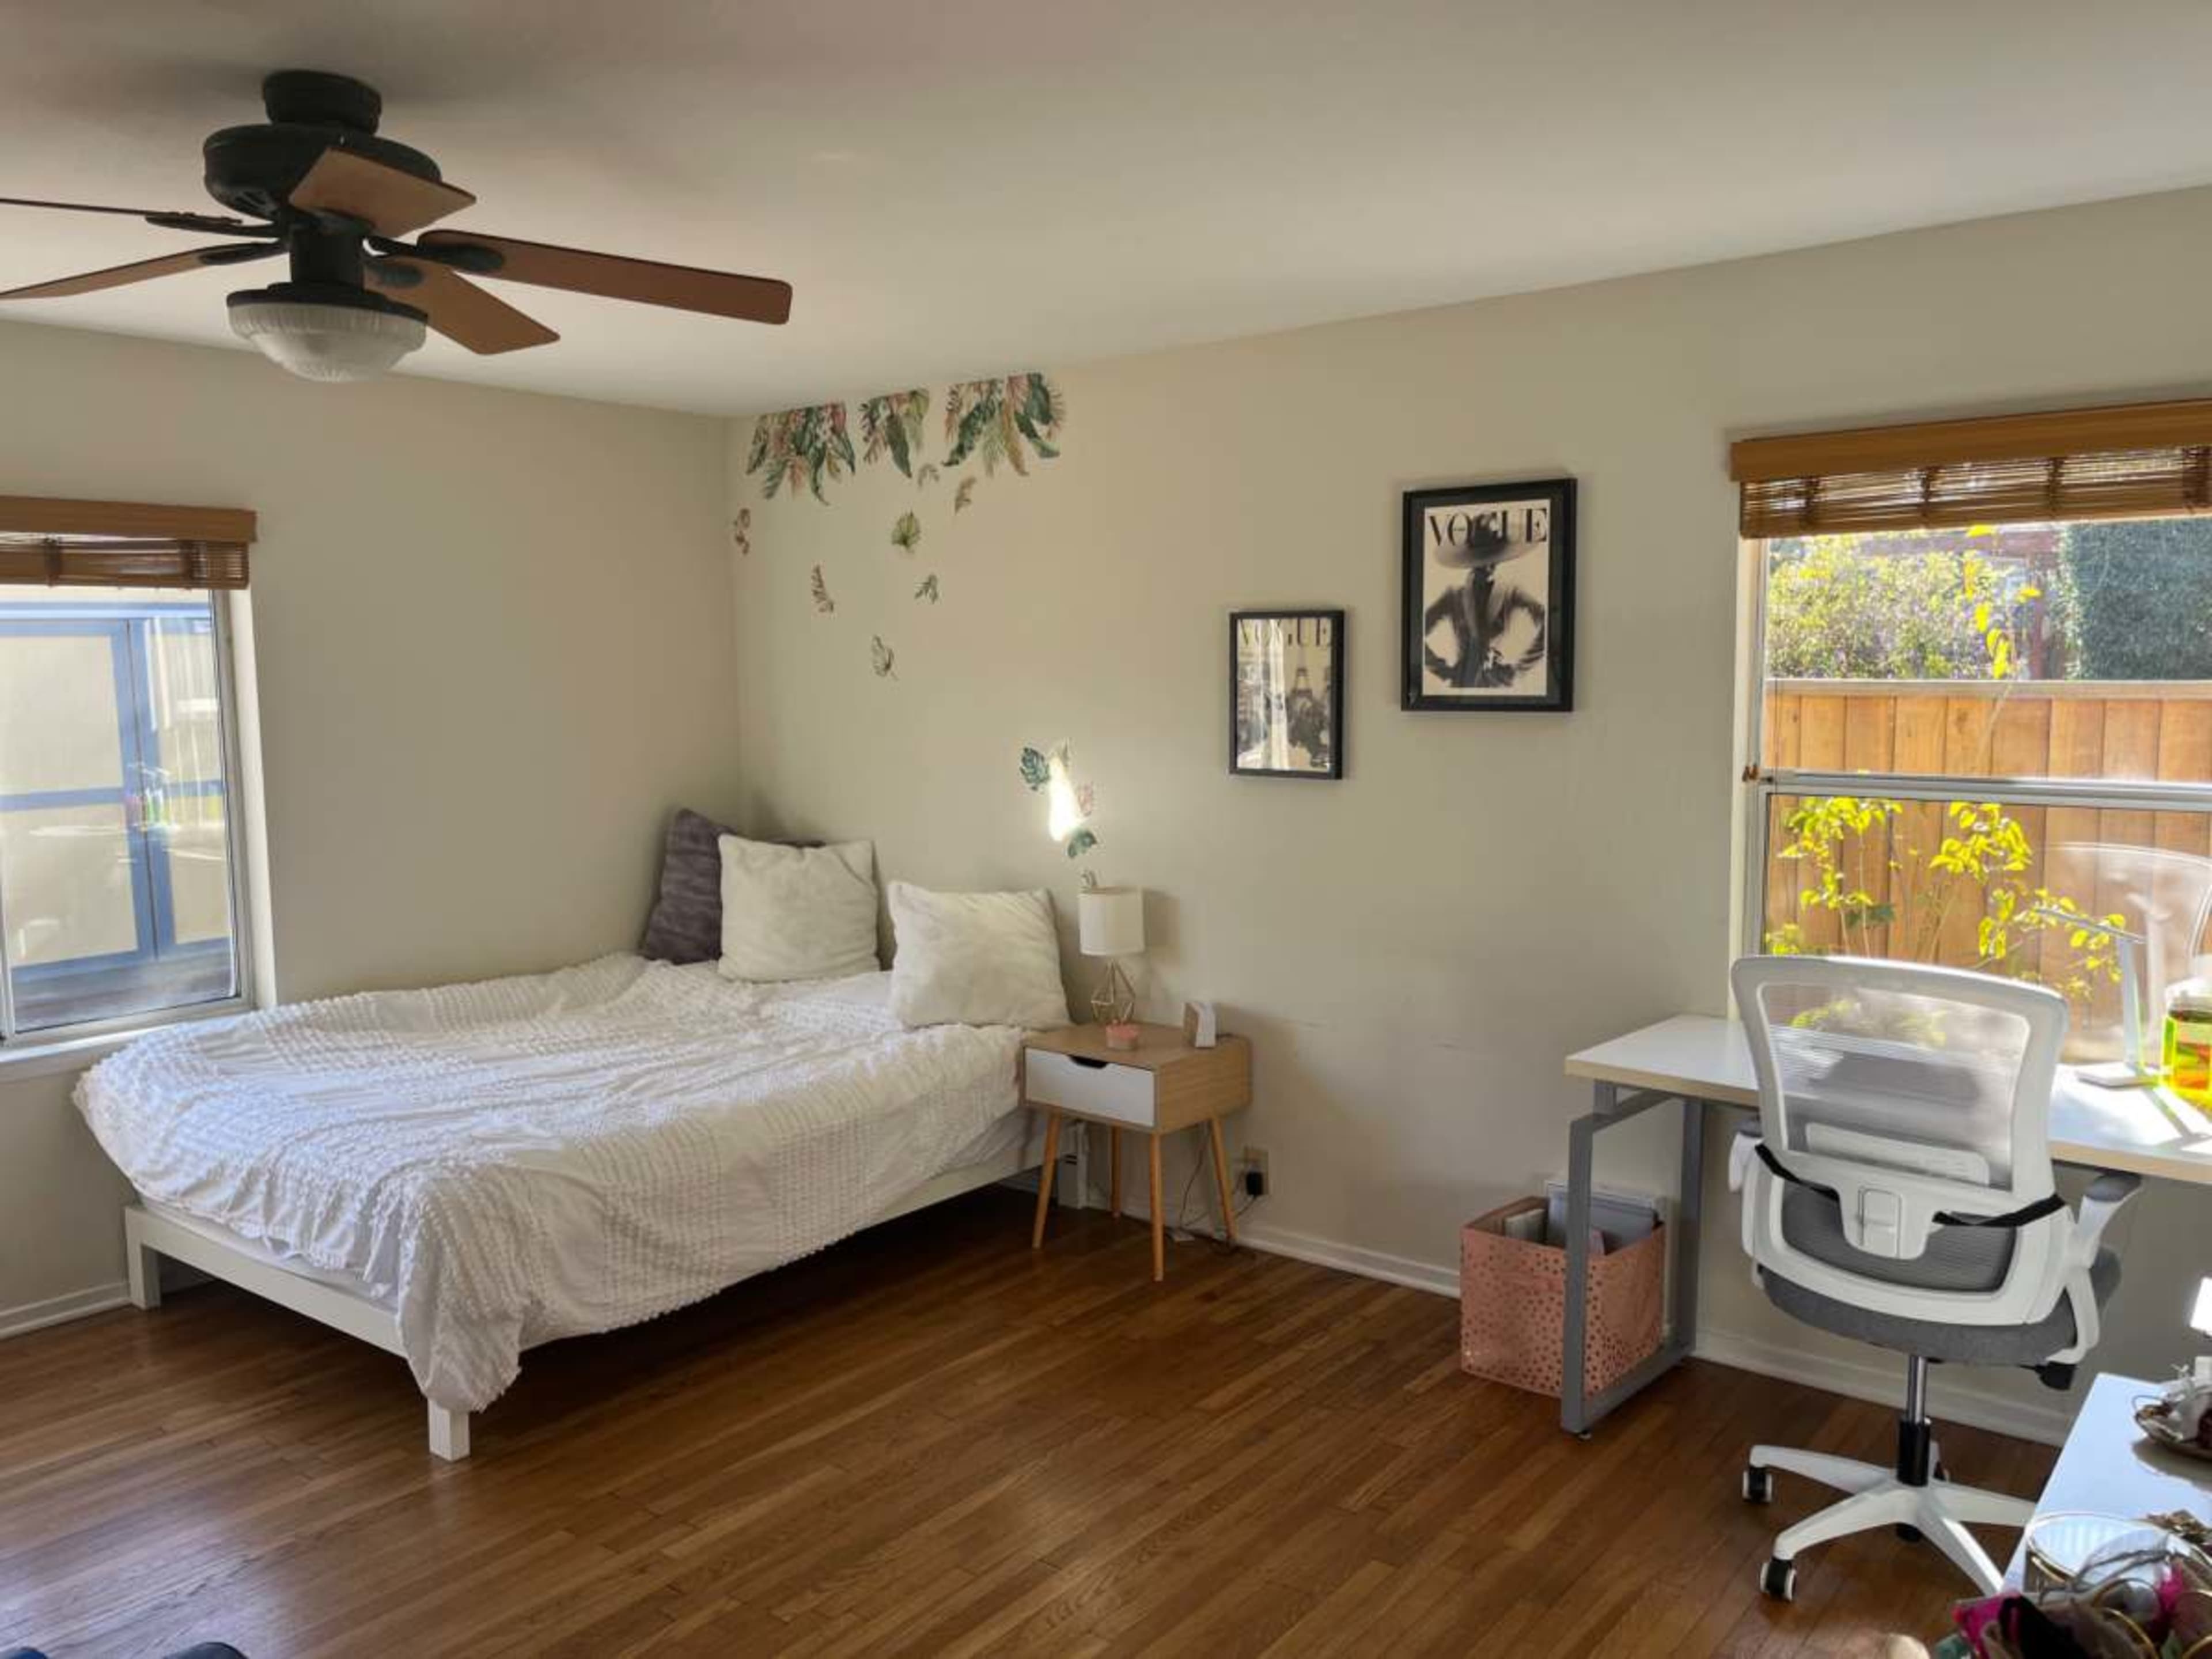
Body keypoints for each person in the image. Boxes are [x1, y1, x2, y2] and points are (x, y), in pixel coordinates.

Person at [1422, 516, 1548, 691]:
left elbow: (1550, 623)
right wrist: (1443, 671)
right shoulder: (1454, 596)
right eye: (1481, 558)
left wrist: (1518, 671)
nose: (1488, 565)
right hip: (1462, 688)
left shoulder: (1511, 592)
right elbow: (1415, 633)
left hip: (1500, 688)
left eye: (1492, 557)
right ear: (1471, 558)